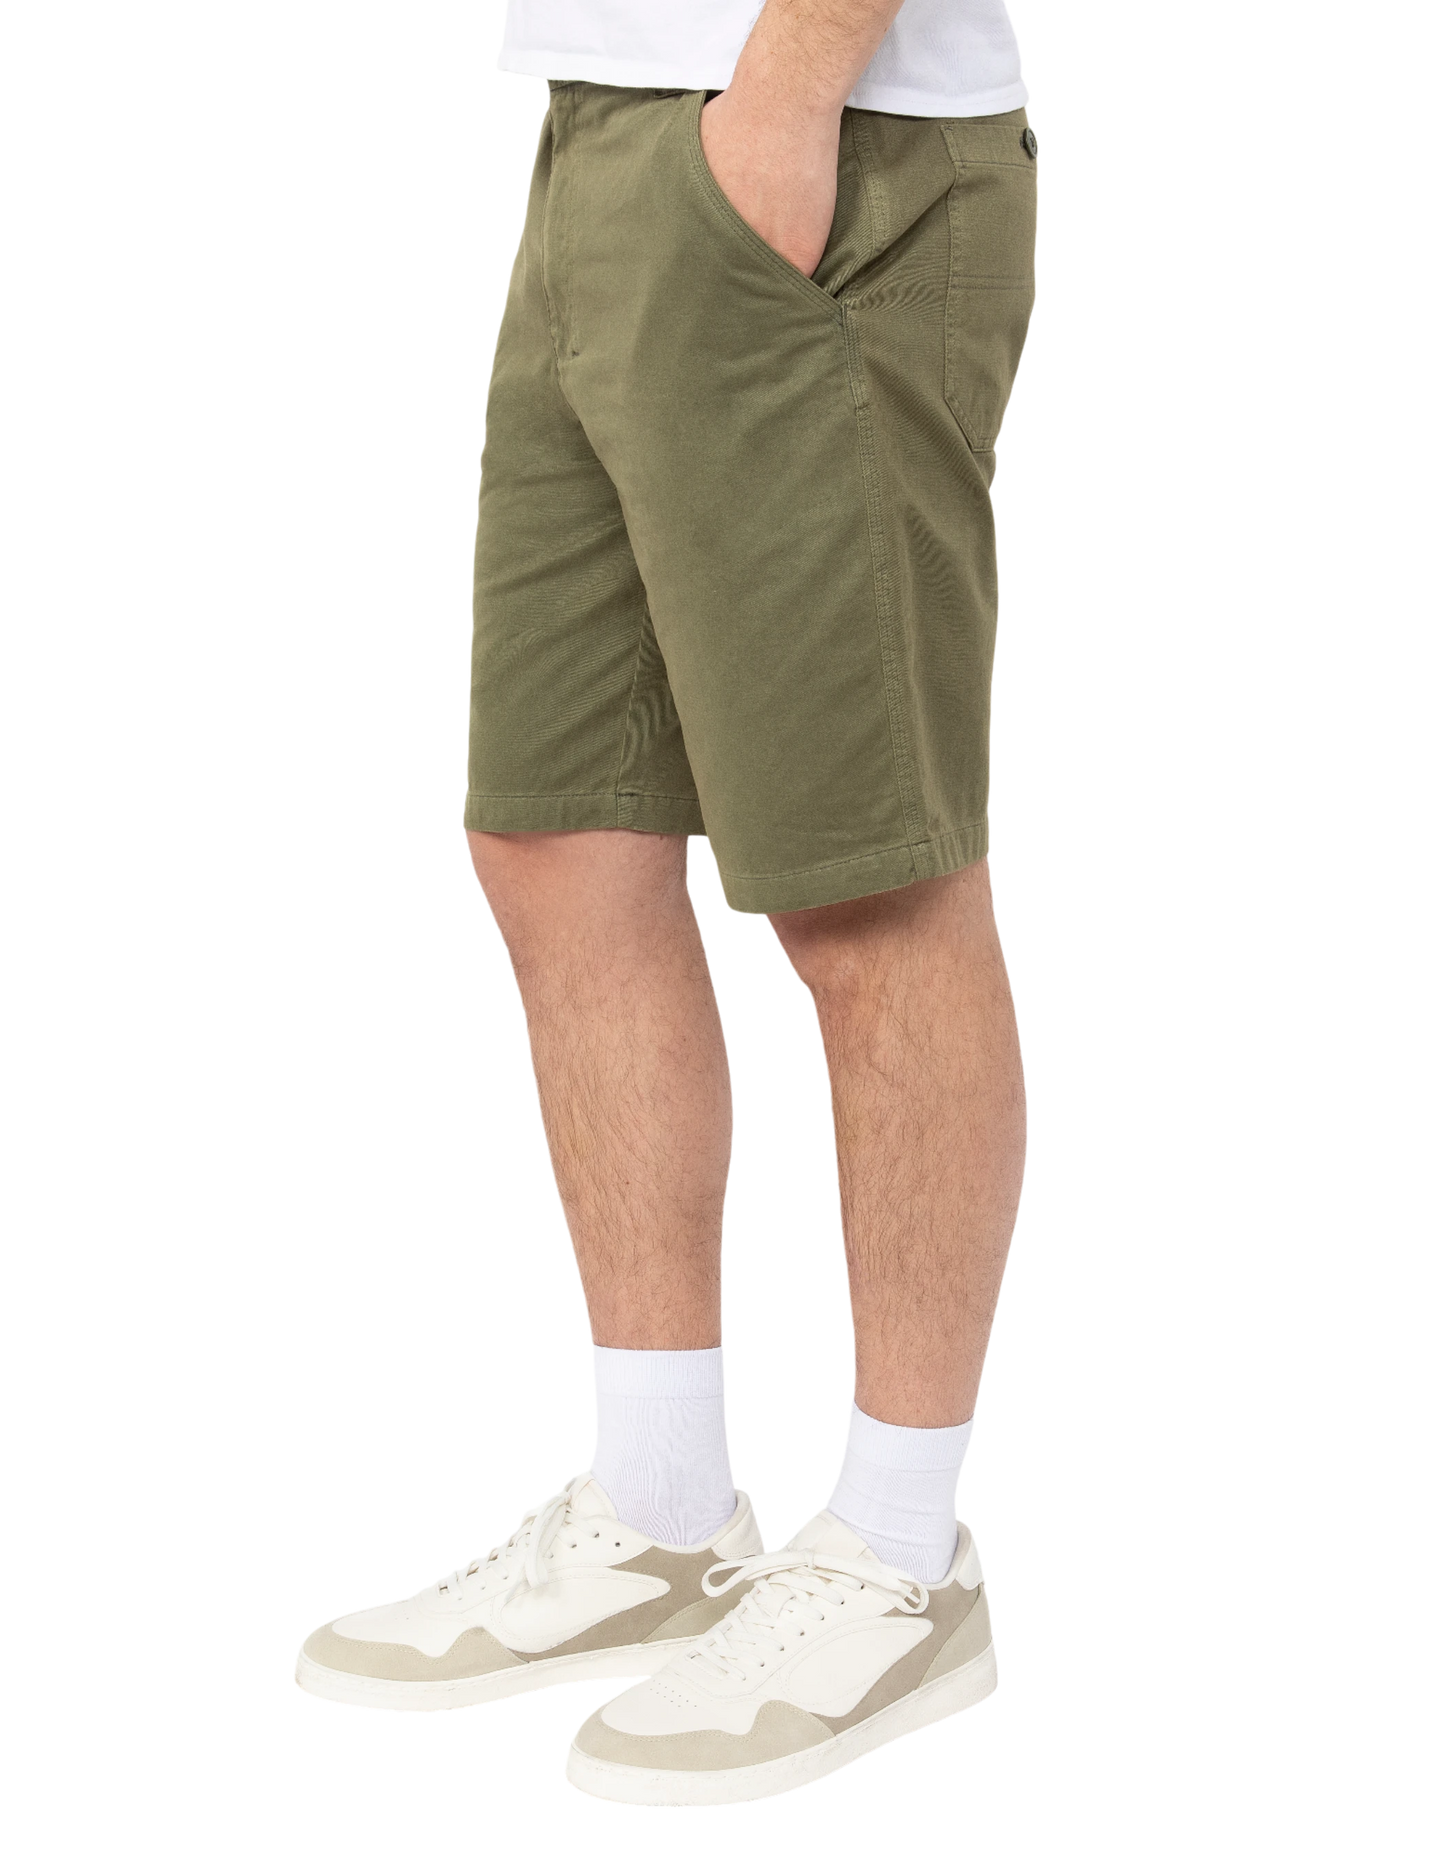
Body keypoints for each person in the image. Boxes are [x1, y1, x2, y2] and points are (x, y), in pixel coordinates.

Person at [293, 0, 1038, 1809]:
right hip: (600, 132)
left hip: (826, 137)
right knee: (560, 836)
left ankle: (901, 1555)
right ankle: (660, 1510)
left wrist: (790, 87)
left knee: (867, 878)